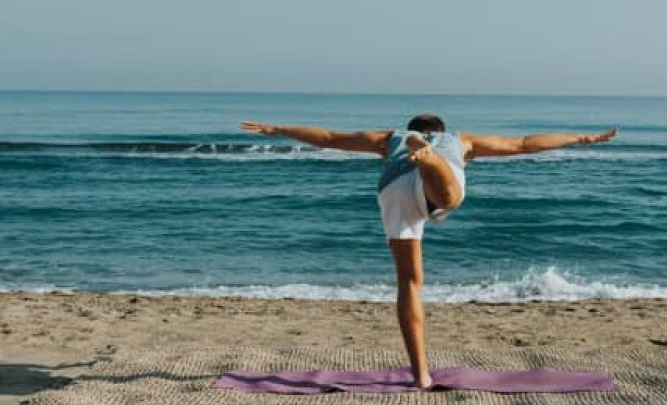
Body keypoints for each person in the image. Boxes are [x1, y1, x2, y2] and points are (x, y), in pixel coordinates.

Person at [240, 114, 618, 389]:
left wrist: (278, 129)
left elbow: (328, 136)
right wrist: (581, 139)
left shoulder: (389, 138)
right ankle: (432, 162)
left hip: (393, 187)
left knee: (409, 284)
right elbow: (524, 144)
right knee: (450, 196)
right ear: (438, 130)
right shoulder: (460, 140)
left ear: (414, 128)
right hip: (434, 178)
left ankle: (420, 375)